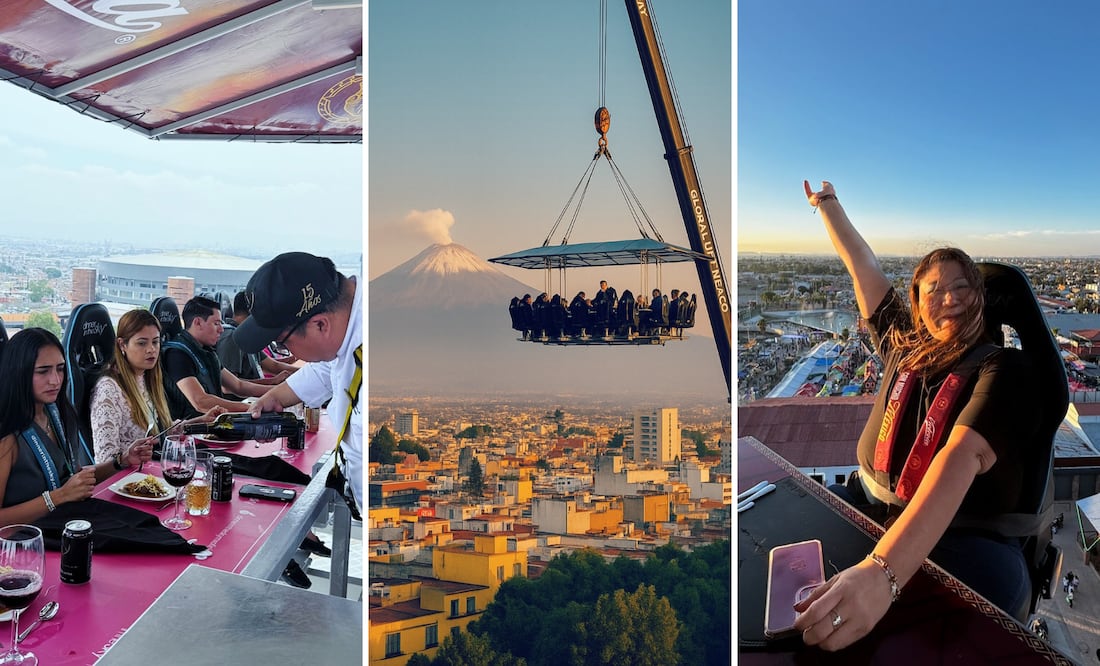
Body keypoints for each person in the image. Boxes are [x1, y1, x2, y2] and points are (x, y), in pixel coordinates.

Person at [793, 180, 1041, 650]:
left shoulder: (1003, 369)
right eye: (934, 290)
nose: (947, 298)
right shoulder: (903, 349)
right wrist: (826, 203)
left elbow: (960, 457)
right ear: (916, 303)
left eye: (961, 287)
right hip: (872, 512)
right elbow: (862, 262)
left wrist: (881, 573)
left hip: (963, 543)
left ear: (981, 299)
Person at [233, 252, 362, 514]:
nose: (281, 349)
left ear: (320, 325)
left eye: (281, 342)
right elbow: (326, 369)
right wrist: (274, 397)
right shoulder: (345, 328)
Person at [0, 328, 154, 522]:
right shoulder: (7, 434)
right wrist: (59, 497)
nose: (55, 380)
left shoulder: (57, 413)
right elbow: (65, 492)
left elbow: (74, 479)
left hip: (68, 523)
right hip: (27, 542)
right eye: (43, 371)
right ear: (18, 372)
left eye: (60, 368)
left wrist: (121, 461)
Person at [90, 309, 225, 464]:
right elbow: (104, 460)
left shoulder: (146, 377)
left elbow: (163, 430)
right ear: (122, 345)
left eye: (155, 342)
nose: (151, 349)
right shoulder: (109, 389)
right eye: (142, 343)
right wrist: (128, 457)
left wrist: (201, 421)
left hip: (153, 468)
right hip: (126, 480)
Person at [161, 296, 271, 420]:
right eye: (216, 323)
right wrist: (248, 407)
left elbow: (238, 386)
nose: (221, 329)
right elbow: (200, 401)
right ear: (198, 322)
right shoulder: (176, 354)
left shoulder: (206, 352)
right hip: (189, 434)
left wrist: (277, 393)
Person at [217, 291, 297, 391]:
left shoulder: (248, 337)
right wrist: (271, 382)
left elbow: (273, 366)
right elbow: (228, 388)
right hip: (243, 403)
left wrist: (308, 372)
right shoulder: (232, 339)